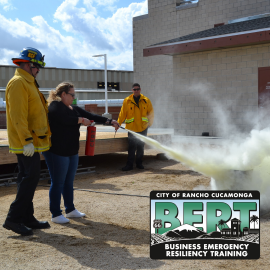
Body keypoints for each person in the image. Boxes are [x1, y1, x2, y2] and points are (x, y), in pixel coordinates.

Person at [44, 82, 119, 224]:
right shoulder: (55, 106)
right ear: (63, 94)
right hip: (57, 151)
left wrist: (110, 121)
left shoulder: (74, 108)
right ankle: (55, 214)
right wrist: (80, 120)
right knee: (58, 182)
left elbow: (91, 116)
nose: (73, 97)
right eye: (72, 94)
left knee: (68, 182)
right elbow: (62, 119)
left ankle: (70, 210)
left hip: (71, 151)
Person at [3, 47, 51, 236]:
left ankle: (27, 217)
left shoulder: (28, 82)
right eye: (37, 66)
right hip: (26, 143)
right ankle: (13, 219)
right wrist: (26, 141)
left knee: (27, 178)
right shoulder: (18, 83)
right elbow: (18, 115)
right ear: (29, 64)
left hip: (30, 141)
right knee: (30, 179)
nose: (39, 70)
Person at [117, 83, 154, 171]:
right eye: (134, 89)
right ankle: (129, 165)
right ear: (132, 90)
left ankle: (139, 163)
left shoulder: (146, 100)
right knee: (131, 147)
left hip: (143, 128)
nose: (136, 91)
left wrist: (149, 124)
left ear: (140, 89)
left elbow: (151, 113)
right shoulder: (127, 100)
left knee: (141, 146)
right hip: (132, 128)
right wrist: (118, 123)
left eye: (137, 89)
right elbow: (122, 113)